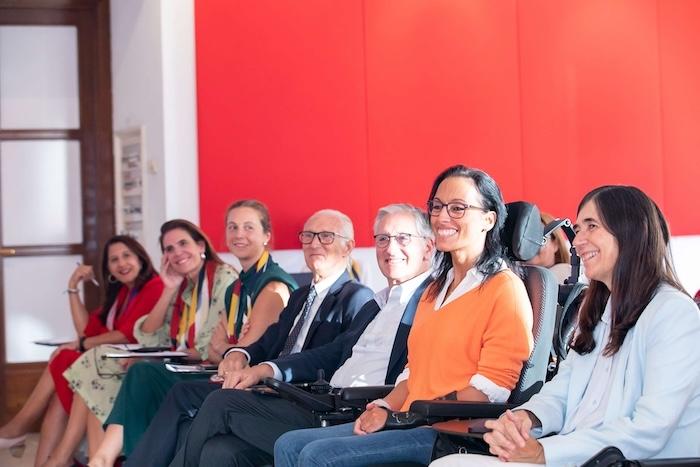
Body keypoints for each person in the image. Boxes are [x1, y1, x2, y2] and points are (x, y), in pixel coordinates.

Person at [274, 165, 534, 467]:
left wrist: (414, 414)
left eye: (458, 208)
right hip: (413, 420)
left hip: (451, 432)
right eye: (436, 207)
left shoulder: (504, 288)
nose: (442, 217)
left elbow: (492, 389)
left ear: (488, 220)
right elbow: (414, 374)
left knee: (318, 456)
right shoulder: (435, 290)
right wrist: (385, 406)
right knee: (289, 444)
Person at [431, 186, 700, 466]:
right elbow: (563, 390)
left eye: (591, 226)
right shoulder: (597, 310)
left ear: (631, 231)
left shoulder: (674, 313)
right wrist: (525, 419)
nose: (578, 241)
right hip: (577, 456)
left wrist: (546, 453)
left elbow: (649, 428)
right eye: (579, 228)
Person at [95, 208, 373, 466]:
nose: (314, 244)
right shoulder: (301, 295)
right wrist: (240, 353)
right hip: (271, 387)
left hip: (302, 396)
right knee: (214, 443)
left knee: (218, 401)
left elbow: (334, 357)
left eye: (326, 237)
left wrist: (265, 370)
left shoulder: (355, 296)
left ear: (348, 246)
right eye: (308, 236)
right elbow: (270, 340)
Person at [167, 203, 435, 467]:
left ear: (428, 248)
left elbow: (417, 376)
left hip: (361, 409)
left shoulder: (428, 304)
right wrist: (263, 370)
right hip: (324, 402)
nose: (390, 247)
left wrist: (383, 407)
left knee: (221, 404)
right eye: (383, 239)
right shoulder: (375, 305)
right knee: (221, 450)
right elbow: (329, 353)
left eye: (403, 238)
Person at [87, 200, 299, 466]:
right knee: (139, 373)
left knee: (162, 385)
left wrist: (229, 347)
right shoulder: (239, 285)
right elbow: (215, 346)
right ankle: (104, 459)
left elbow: (244, 354)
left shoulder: (271, 286)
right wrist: (229, 346)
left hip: (251, 381)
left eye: (248, 227)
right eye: (232, 227)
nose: (238, 234)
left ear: (266, 235)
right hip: (220, 370)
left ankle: (115, 460)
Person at [42, 220, 236, 467]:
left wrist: (163, 355)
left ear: (200, 245)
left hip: (207, 369)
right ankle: (95, 458)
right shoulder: (183, 284)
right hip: (182, 363)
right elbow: (149, 334)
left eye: (183, 244)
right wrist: (169, 290)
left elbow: (205, 347)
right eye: (169, 249)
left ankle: (95, 458)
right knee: (98, 370)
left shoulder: (222, 278)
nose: (177, 253)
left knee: (131, 371)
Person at [0, 236, 163, 466]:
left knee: (67, 360)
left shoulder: (154, 286)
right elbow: (87, 329)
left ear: (141, 258)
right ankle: (48, 457)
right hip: (109, 363)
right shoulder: (122, 293)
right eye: (114, 259)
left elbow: (126, 335)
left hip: (129, 367)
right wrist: (72, 287)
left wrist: (82, 343)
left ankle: (25, 432)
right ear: (108, 268)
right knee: (62, 378)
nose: (121, 263)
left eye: (127, 255)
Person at [525, 212, 571, 284]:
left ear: (555, 244)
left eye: (538, 238)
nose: (532, 245)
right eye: (527, 239)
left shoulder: (564, 273)